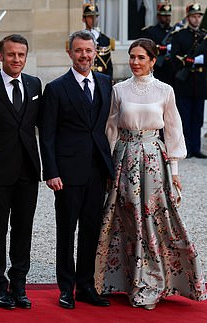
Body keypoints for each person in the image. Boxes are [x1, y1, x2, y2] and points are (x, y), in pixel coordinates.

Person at [94, 38, 207, 310]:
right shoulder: (118, 90)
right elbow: (110, 129)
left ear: (153, 60)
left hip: (154, 159)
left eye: (141, 57)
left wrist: (175, 170)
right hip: (124, 156)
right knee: (124, 217)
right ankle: (121, 280)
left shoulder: (165, 90)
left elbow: (173, 130)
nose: (135, 62)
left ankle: (153, 282)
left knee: (155, 218)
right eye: (132, 56)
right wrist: (107, 166)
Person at [39, 30, 114, 309]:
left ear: (96, 52)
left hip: (97, 169)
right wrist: (51, 171)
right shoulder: (57, 88)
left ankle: (85, 287)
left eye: (89, 50)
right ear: (70, 53)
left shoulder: (106, 82)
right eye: (79, 50)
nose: (85, 55)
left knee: (91, 231)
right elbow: (47, 134)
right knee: (66, 231)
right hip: (67, 174)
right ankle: (65, 289)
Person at [0, 34, 42, 310]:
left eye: (21, 55)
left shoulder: (34, 84)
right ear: (0, 56)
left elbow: (42, 126)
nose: (16, 59)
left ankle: (19, 284)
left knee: (23, 230)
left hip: (28, 170)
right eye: (11, 54)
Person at [171, 2, 207, 158]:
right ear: (188, 17)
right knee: (184, 116)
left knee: (197, 117)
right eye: (193, 16)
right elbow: (174, 58)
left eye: (199, 16)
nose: (196, 19)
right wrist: (189, 61)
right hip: (184, 82)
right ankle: (186, 149)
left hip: (199, 82)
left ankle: (196, 148)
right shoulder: (180, 35)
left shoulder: (205, 36)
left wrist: (200, 60)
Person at [141, 1, 181, 86]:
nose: (167, 18)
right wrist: (163, 48)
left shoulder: (175, 32)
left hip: (171, 69)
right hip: (157, 68)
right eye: (164, 15)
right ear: (158, 16)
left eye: (168, 15)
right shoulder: (151, 31)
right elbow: (147, 49)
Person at [82, 3, 114, 77]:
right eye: (90, 17)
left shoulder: (105, 39)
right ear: (84, 19)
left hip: (102, 76)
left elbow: (108, 64)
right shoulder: (80, 39)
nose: (93, 20)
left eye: (95, 17)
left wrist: (109, 80)